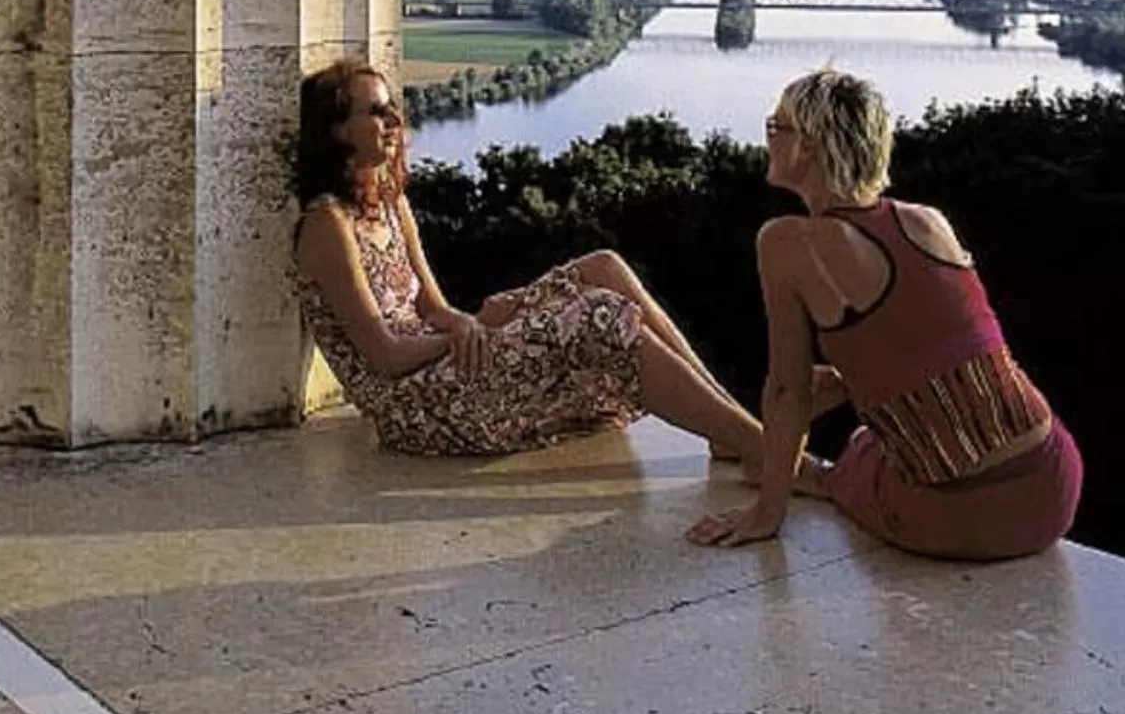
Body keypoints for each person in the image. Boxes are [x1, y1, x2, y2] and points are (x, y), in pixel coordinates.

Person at [294, 58, 781, 465]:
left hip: (445, 358)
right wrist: (468, 335)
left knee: (603, 268)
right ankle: (766, 449)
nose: (395, 123)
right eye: (376, 112)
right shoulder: (327, 225)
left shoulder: (392, 204)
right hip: (413, 405)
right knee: (596, 315)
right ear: (337, 130)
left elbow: (434, 308)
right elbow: (382, 356)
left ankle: (728, 422)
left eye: (392, 108)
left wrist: (468, 322)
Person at [690, 66, 1082, 561]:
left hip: (963, 514)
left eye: (776, 128)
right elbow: (940, 348)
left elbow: (787, 391)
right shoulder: (927, 221)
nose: (767, 137)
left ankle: (812, 477)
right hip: (1053, 481)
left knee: (859, 449)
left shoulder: (789, 244)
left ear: (809, 145)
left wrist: (768, 511)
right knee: (869, 425)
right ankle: (784, 451)